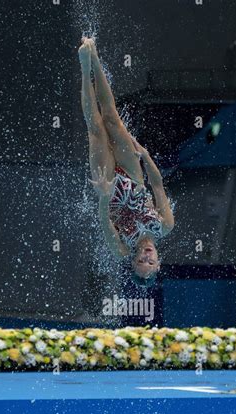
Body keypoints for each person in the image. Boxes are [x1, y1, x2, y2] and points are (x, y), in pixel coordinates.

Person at [78, 36, 174, 288]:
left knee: (96, 128)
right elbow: (157, 184)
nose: (147, 258)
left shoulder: (121, 249)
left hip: (110, 188)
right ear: (159, 262)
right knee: (111, 118)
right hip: (133, 175)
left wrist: (102, 194)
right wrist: (144, 154)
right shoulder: (165, 226)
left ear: (132, 262)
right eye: (151, 263)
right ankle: (95, 56)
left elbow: (104, 221)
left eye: (142, 262)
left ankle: (84, 65)